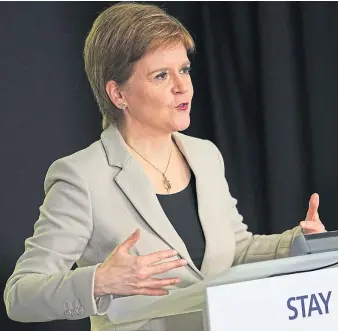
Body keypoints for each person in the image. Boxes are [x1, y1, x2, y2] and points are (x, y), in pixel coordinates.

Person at [4, 2, 326, 331]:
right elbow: (20, 295)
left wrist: (299, 242)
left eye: (184, 69)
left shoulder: (205, 155)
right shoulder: (81, 177)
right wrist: (100, 280)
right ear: (118, 94)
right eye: (161, 75)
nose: (182, 86)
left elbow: (235, 250)